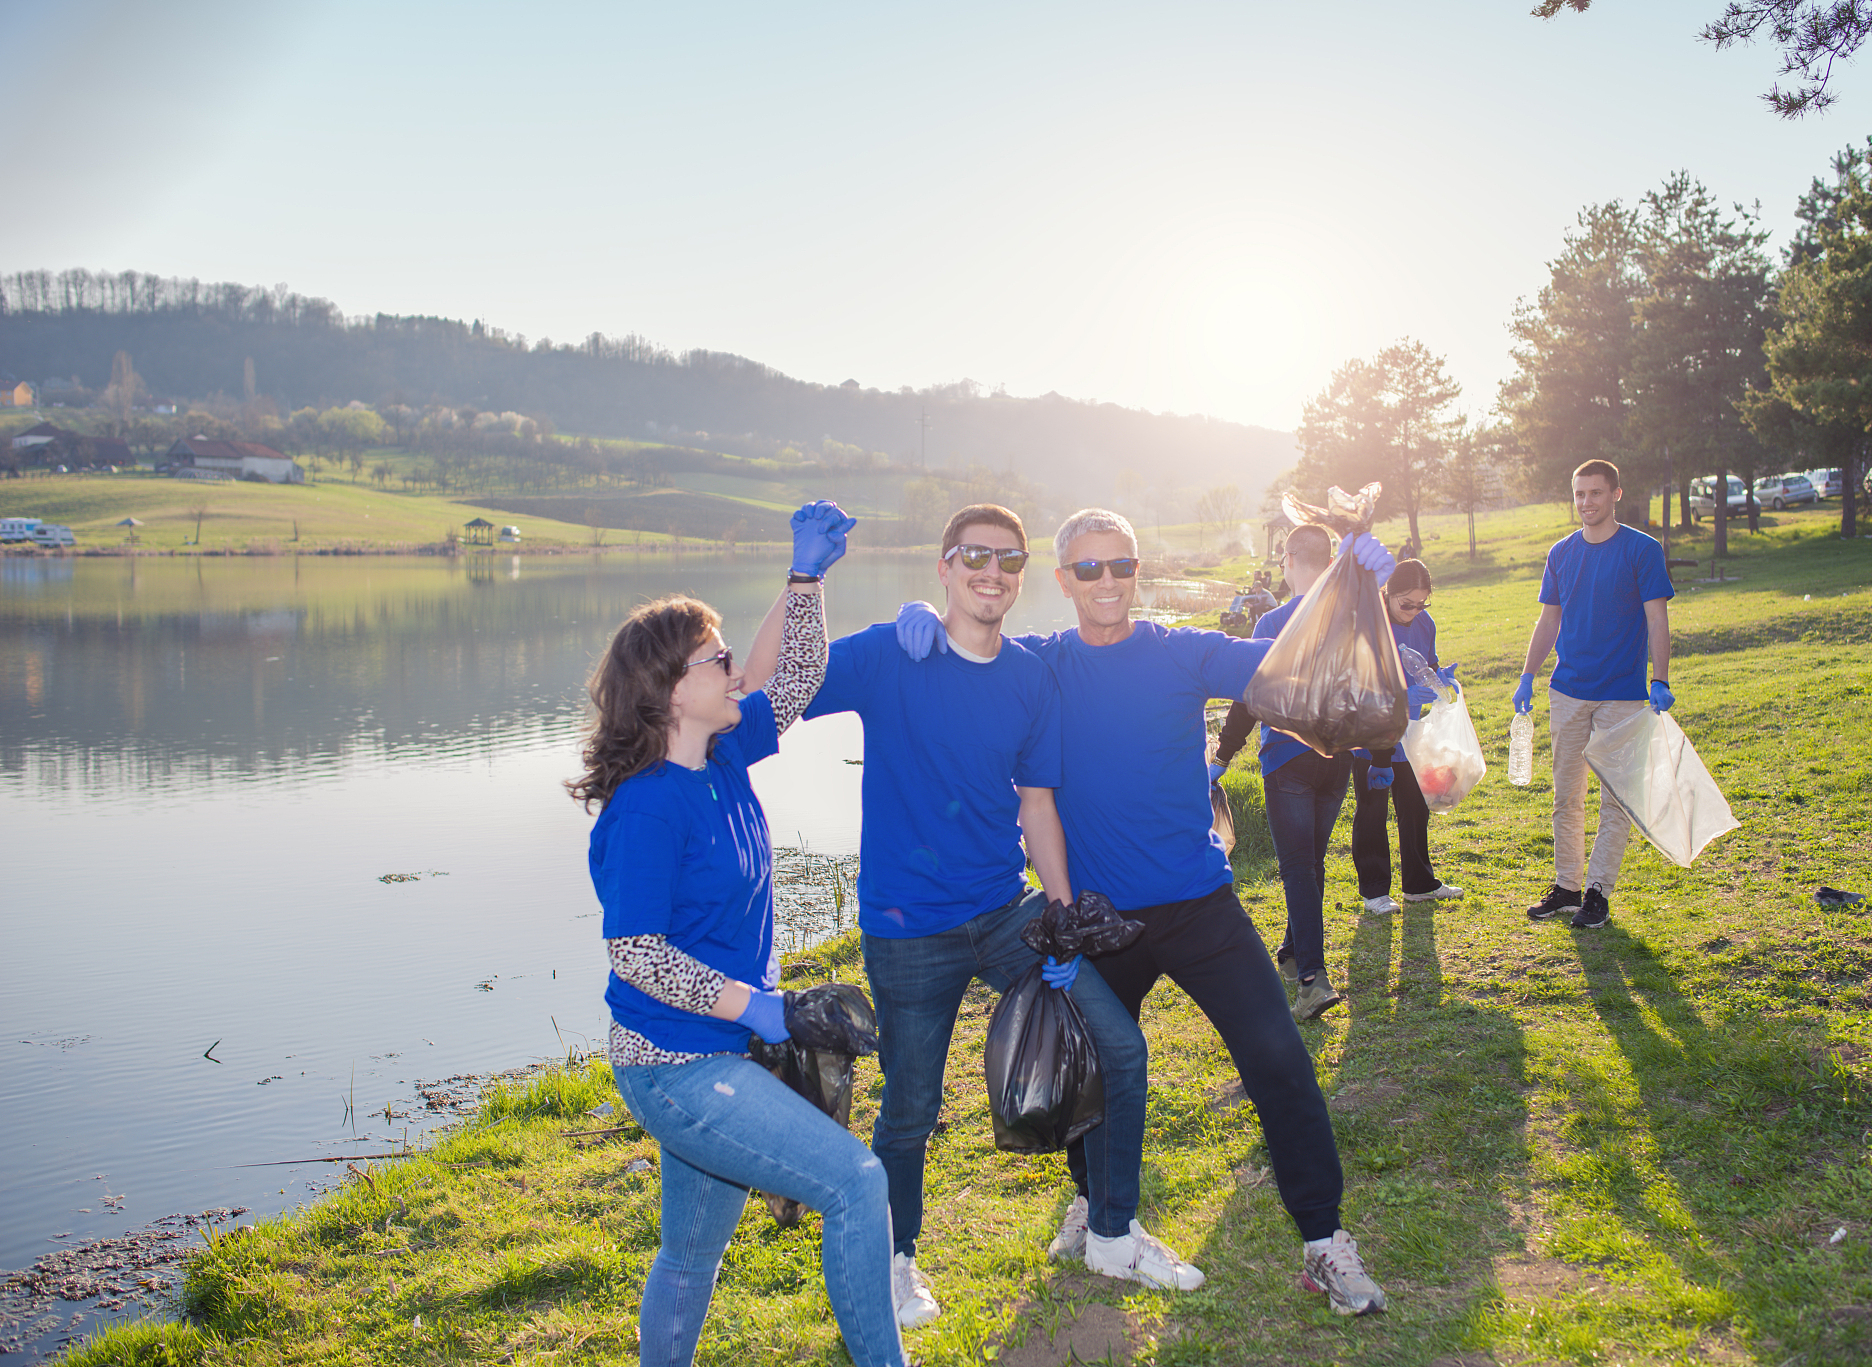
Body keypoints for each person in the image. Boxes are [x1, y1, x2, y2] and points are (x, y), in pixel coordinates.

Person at [895, 508, 1393, 1316]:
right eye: (1086, 570)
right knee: (1088, 1069)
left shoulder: (1181, 650)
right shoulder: (1040, 664)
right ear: (1061, 581)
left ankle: (1324, 1241)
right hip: (1096, 921)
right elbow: (965, 654)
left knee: (1278, 1057)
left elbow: (1296, 662)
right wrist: (919, 619)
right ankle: (1093, 1207)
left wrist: (1353, 582)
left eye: (1119, 567)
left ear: (1137, 571)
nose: (1105, 583)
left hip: (1199, 904)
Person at [801, 503, 1160, 1329]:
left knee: (1117, 1045)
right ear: (944, 565)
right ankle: (894, 1263)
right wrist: (809, 578)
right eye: (974, 555)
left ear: (1025, 574)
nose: (991, 571)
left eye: (1008, 559)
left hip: (1006, 912)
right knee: (911, 1108)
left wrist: (1062, 915)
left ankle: (1110, 1230)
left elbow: (1036, 804)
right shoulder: (894, 652)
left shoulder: (1031, 675)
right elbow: (780, 685)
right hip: (908, 930)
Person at [571, 503, 908, 1367]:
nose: (732, 666)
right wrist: (766, 1010)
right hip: (678, 1065)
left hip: (719, 1048)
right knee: (855, 1180)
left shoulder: (718, 755)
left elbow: (792, 678)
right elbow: (637, 955)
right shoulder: (648, 807)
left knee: (690, 1252)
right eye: (714, 657)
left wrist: (806, 582)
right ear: (670, 689)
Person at [1214, 534, 1460, 1021]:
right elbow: (1377, 697)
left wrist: (1222, 755)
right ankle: (1290, 953)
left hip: (1286, 760)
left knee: (1300, 868)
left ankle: (1311, 978)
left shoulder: (1273, 621)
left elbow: (1248, 695)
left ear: (1286, 562)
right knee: (1309, 864)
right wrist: (1384, 759)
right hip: (1340, 762)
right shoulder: (1354, 622)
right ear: (1329, 564)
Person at [1512, 459, 1675, 931]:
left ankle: (1597, 891)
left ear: (1616, 495)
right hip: (1568, 692)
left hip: (1622, 694)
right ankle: (1566, 887)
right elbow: (1549, 620)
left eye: (1596, 493)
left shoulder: (1641, 550)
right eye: (1580, 494)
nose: (1586, 502)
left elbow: (1656, 617)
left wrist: (1659, 678)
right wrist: (1528, 675)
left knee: (1616, 797)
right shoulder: (1561, 553)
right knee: (1567, 797)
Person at [1350, 556, 1463, 928]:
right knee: (1373, 810)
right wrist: (1403, 693)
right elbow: (1360, 681)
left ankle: (1419, 883)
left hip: (1410, 735)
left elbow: (1426, 663)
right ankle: (1374, 891)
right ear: (1388, 592)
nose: (1414, 611)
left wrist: (1439, 679)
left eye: (1422, 604)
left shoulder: (1424, 623)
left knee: (1415, 808)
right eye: (1407, 604)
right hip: (1370, 732)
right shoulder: (1369, 624)